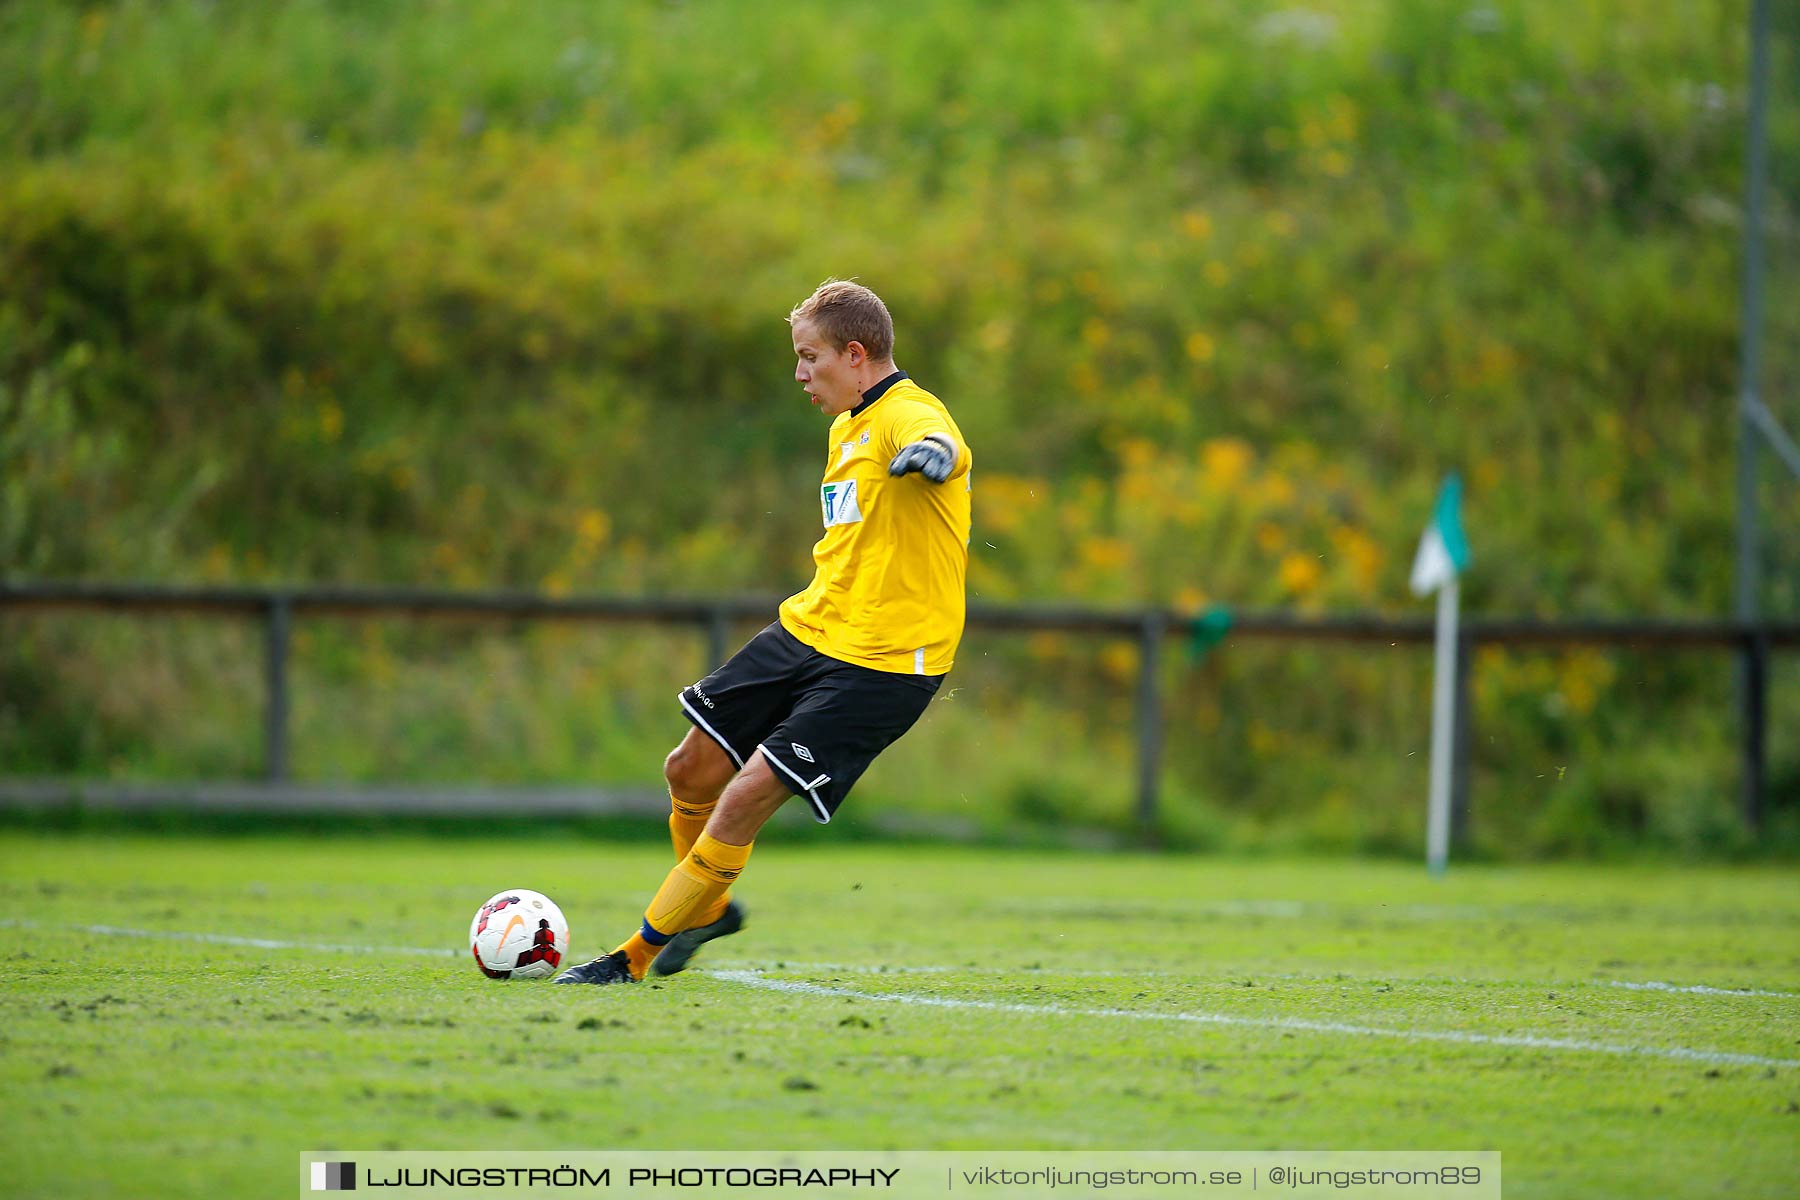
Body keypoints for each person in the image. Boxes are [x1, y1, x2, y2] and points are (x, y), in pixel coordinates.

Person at [556, 279, 972, 986]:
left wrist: (936, 455)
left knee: (748, 791)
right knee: (688, 768)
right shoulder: (847, 426)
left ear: (856, 352)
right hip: (811, 627)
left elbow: (943, 440)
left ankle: (632, 959)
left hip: (884, 661)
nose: (801, 375)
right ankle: (707, 909)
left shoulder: (909, 411)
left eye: (810, 359)